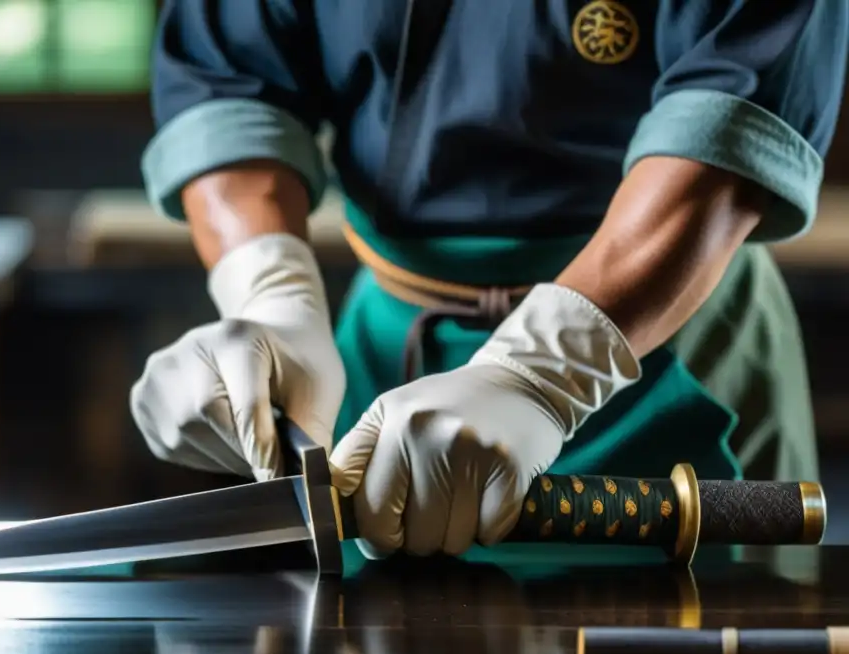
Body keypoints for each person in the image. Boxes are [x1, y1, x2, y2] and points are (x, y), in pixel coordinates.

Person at [130, 0, 848, 558]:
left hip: (663, 330)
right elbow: (227, 82)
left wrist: (542, 373)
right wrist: (268, 293)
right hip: (381, 354)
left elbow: (734, 118)